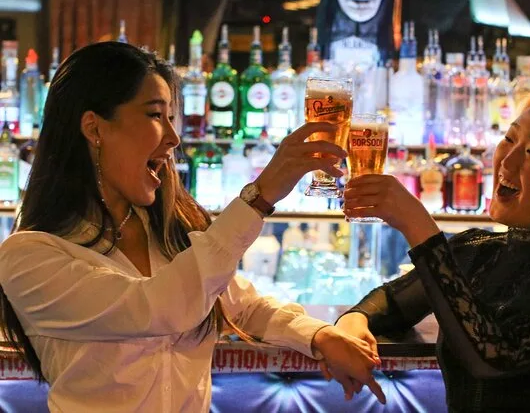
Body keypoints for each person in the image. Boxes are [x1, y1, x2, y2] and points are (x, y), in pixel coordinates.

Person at [0, 42, 384, 412]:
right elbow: (157, 308)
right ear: (94, 128)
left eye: (172, 118)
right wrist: (259, 196)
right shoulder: (28, 257)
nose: (173, 138)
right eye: (155, 115)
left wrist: (318, 334)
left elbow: (244, 306)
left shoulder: (170, 232)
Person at [338, 89, 530, 413]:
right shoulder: (475, 251)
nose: (507, 161)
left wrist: (419, 227)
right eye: (509, 139)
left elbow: (495, 358)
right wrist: (352, 322)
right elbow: (390, 301)